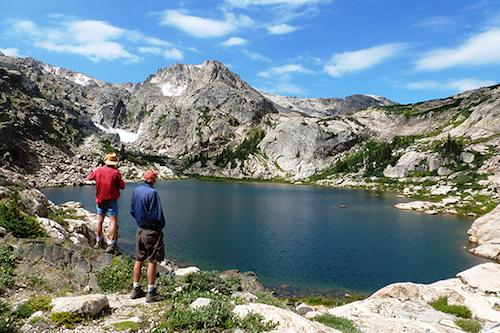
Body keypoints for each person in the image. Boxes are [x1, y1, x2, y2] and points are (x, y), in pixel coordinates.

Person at [130, 170, 166, 303]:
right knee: (153, 260)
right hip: (152, 232)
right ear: (153, 180)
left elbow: (133, 210)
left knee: (139, 259)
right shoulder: (153, 193)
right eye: (156, 178)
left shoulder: (137, 190)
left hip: (140, 230)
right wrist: (161, 226)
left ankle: (136, 289)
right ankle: (151, 292)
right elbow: (157, 215)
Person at [87, 152, 125, 254]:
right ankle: (111, 244)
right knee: (113, 221)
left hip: (100, 199)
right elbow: (122, 186)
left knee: (100, 220)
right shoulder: (116, 173)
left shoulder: (98, 170)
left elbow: (89, 177)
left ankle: (98, 241)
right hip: (112, 200)